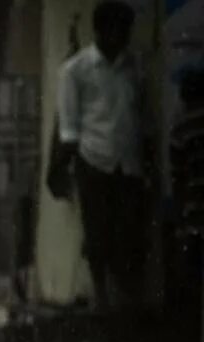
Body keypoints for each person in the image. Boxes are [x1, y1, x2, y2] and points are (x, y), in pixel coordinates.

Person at [53, 0, 149, 311]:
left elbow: (139, 117)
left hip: (128, 163)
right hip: (93, 159)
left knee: (127, 236)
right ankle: (103, 300)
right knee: (97, 235)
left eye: (125, 32)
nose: (120, 38)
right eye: (115, 31)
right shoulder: (76, 70)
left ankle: (121, 301)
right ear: (99, 32)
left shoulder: (134, 68)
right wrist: (61, 166)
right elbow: (68, 126)